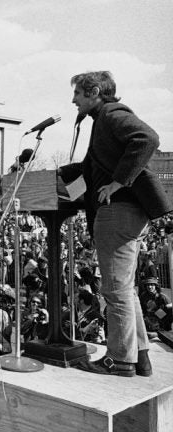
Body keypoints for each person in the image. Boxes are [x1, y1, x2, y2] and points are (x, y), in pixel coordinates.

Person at [60, 71, 172, 378]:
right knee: (125, 288)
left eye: (78, 95)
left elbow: (147, 138)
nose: (74, 100)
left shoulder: (110, 113)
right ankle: (141, 356)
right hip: (125, 213)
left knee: (114, 289)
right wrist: (56, 173)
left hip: (118, 212)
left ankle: (119, 360)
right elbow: (90, 167)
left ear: (94, 91)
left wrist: (119, 182)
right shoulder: (103, 121)